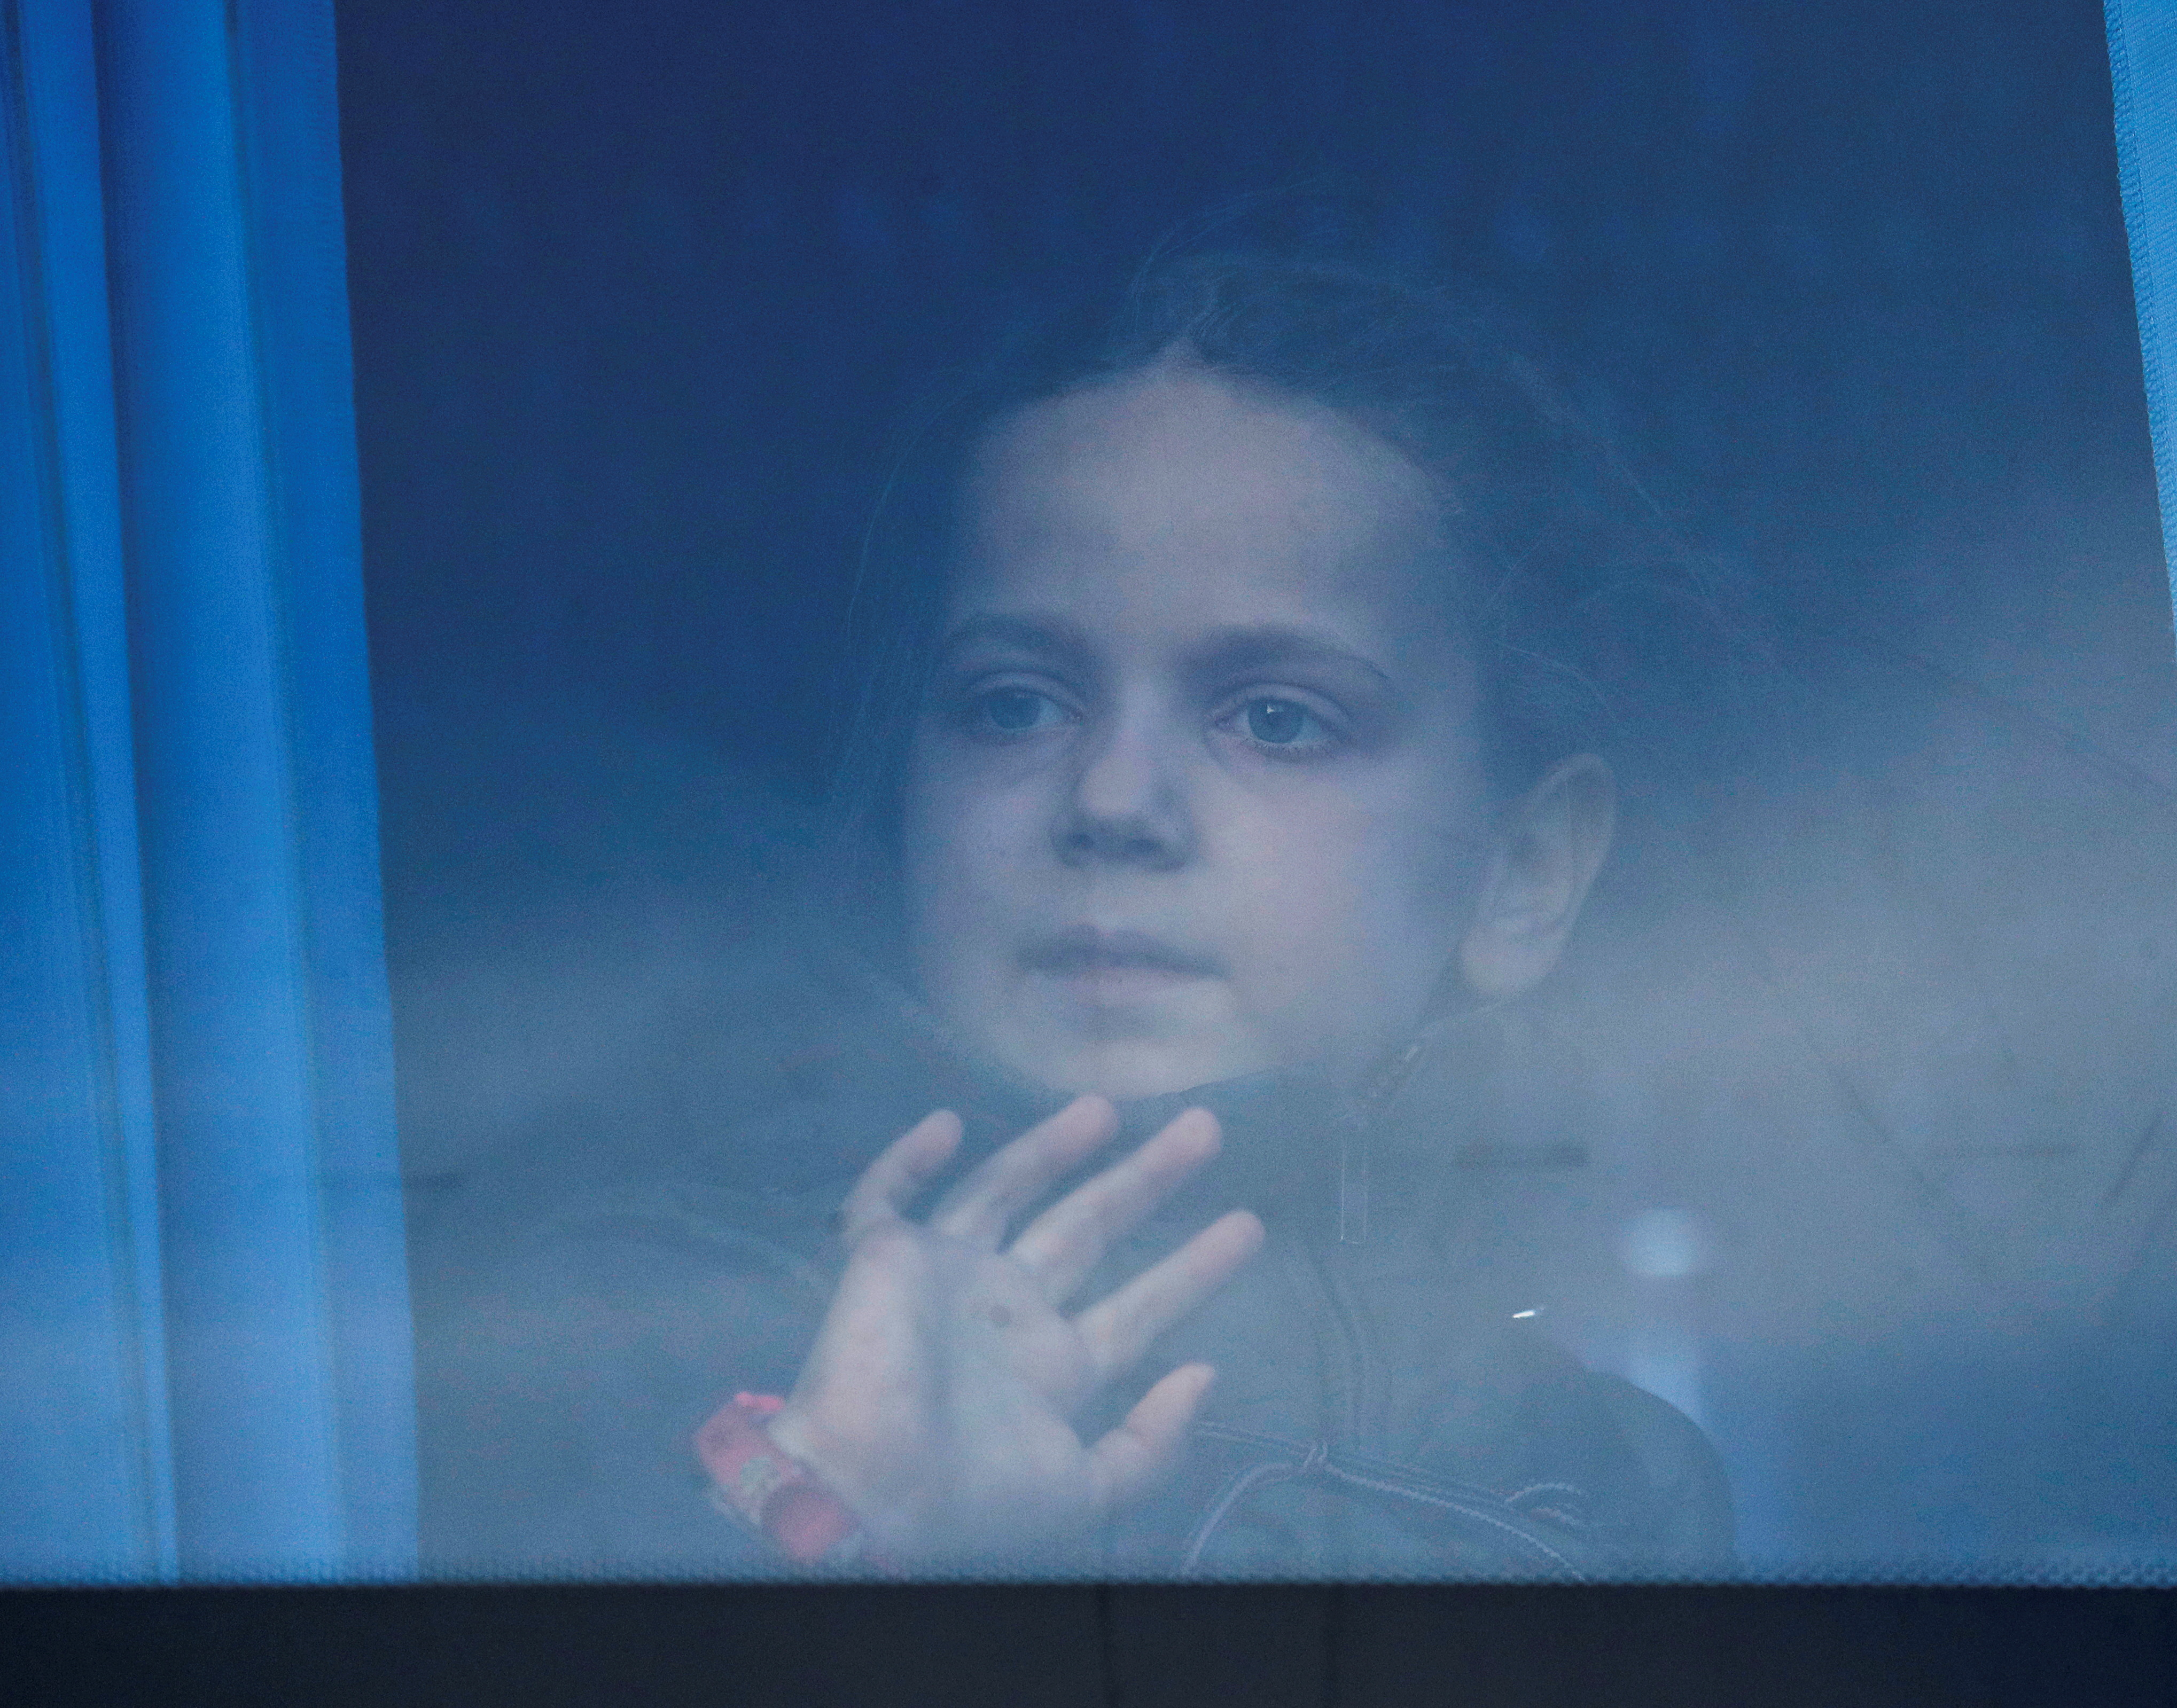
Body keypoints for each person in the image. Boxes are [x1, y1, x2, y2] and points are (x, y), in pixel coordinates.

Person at [413, 252, 1737, 1579]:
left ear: (1524, 876)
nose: (1111, 800)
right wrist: (833, 1537)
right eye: (1014, 703)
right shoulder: (619, 1335)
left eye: (1278, 719)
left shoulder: (1605, 1480)